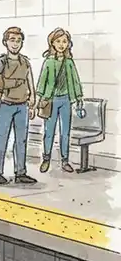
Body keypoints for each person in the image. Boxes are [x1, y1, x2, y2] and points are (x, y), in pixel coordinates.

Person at [0, 27, 38, 185]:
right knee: (2, 140)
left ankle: (20, 172)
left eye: (18, 41)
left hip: (22, 106)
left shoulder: (25, 62)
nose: (15, 44)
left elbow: (30, 83)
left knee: (21, 140)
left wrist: (32, 103)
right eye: (12, 40)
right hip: (5, 106)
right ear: (5, 42)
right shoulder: (0, 62)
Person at [36, 27, 84, 174]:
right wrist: (39, 98)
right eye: (58, 41)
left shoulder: (69, 62)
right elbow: (42, 81)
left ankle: (65, 160)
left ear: (68, 44)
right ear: (52, 43)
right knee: (49, 132)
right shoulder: (48, 62)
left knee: (65, 132)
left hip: (66, 100)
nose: (61, 44)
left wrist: (79, 98)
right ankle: (46, 159)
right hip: (51, 101)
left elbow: (75, 81)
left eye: (64, 41)